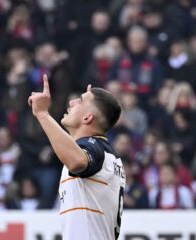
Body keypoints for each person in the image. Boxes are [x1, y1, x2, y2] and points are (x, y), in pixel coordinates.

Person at [28, 74, 124, 239]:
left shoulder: (95, 148)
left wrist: (42, 114)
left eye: (79, 101)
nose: (71, 102)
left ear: (87, 117)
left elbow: (77, 161)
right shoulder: (105, 153)